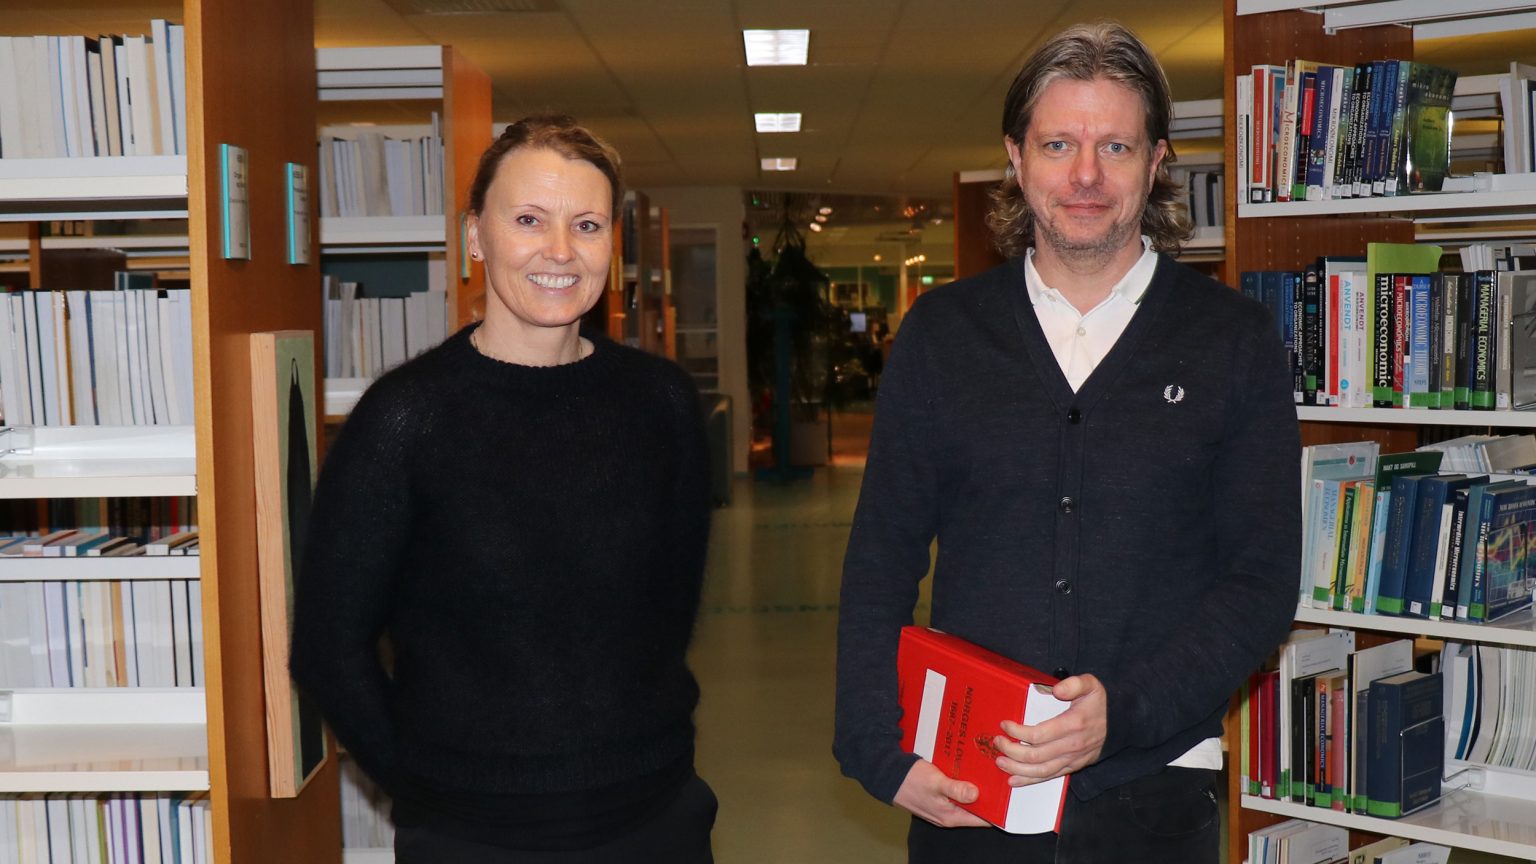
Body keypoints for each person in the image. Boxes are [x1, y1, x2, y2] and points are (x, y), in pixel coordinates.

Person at [833, 22, 1300, 864]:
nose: (1086, 175)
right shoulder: (942, 336)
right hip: (968, 789)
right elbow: (880, 560)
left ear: (1156, 163)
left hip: (1155, 787)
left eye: (1115, 146)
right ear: (1016, 159)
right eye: (1058, 145)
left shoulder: (1234, 340)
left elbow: (1260, 579)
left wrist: (1125, 710)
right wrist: (879, 748)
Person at [289, 115, 717, 863]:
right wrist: (429, 789)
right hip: (472, 834)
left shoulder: (662, 403)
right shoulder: (406, 418)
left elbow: (669, 612)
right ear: (475, 237)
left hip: (655, 814)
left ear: (611, 245)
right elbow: (328, 647)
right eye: (528, 220)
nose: (560, 250)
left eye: (586, 225)